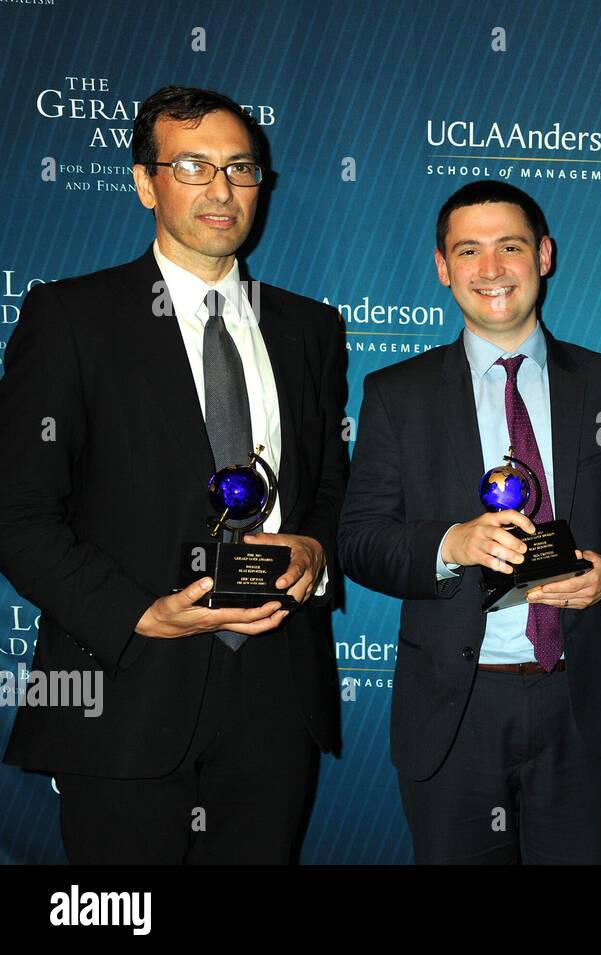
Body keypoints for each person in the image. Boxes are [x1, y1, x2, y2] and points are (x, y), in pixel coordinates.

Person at [0, 86, 348, 863]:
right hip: (125, 692)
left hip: (274, 697)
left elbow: (331, 488)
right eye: (193, 165)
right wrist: (139, 614)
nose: (222, 189)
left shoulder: (309, 328)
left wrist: (316, 552)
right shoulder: (71, 318)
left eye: (240, 167)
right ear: (143, 181)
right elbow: (16, 513)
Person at [338, 180, 601, 864]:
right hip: (457, 708)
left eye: (510, 247)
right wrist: (448, 544)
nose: (491, 269)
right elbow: (359, 540)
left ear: (543, 255)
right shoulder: (395, 395)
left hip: (583, 697)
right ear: (442, 267)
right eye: (469, 250)